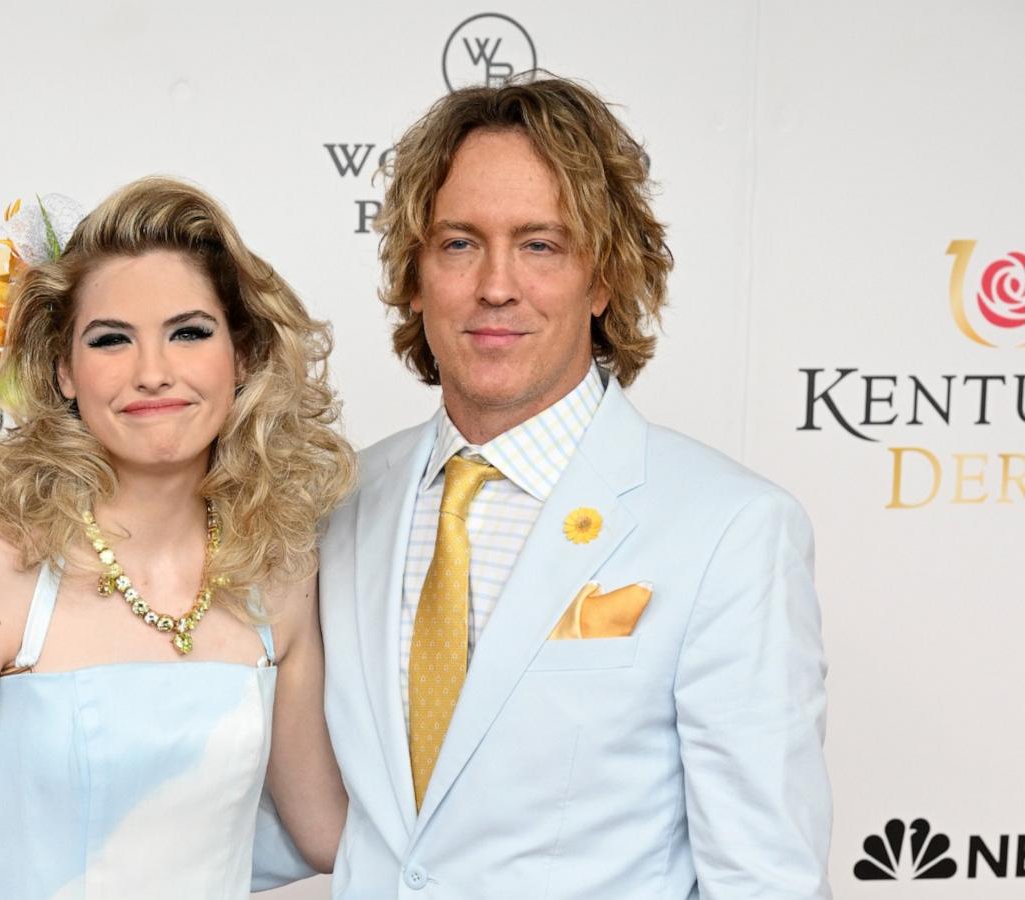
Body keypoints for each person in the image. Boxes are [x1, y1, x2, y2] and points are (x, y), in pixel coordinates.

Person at [255, 75, 832, 897]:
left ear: (602, 280)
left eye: (540, 244)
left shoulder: (731, 530)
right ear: (415, 277)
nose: (496, 285)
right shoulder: (333, 504)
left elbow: (765, 877)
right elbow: (307, 818)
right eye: (458, 243)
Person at [0, 176, 354, 900]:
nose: (153, 372)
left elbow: (329, 831)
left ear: (244, 355)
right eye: (111, 340)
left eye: (189, 332)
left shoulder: (278, 569)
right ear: (64, 370)